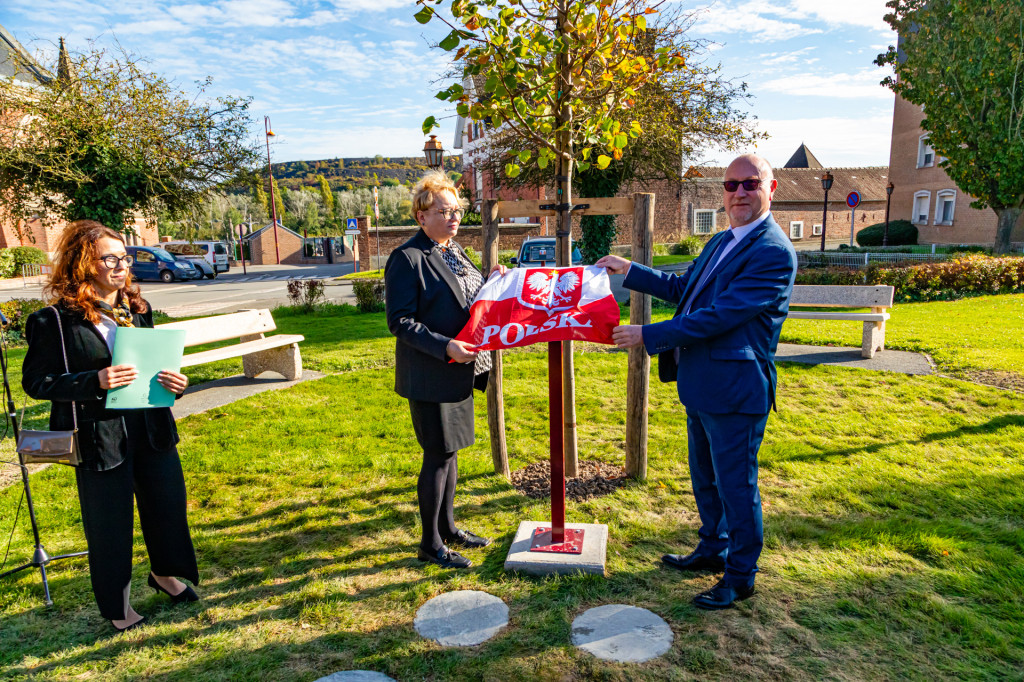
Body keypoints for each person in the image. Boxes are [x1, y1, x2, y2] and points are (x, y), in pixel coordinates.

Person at [596, 154, 797, 609]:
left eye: (750, 184)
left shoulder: (772, 251)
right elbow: (685, 287)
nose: (739, 193)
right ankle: (712, 549)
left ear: (771, 188)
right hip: (701, 383)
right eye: (731, 185)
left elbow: (719, 317)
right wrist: (631, 270)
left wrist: (648, 334)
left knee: (736, 486)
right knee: (705, 478)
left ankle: (741, 574)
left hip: (736, 391)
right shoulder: (722, 240)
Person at [22, 220, 199, 632]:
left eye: (125, 257)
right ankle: (118, 606)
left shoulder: (137, 309)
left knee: (167, 506)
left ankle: (165, 576)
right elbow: (36, 382)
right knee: (110, 523)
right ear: (84, 263)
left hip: (152, 427)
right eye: (110, 258)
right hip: (100, 436)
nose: (122, 265)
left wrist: (176, 383)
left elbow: (154, 364)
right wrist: (93, 381)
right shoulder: (53, 321)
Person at [384, 172, 505, 569]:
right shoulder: (407, 258)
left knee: (451, 453)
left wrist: (490, 282)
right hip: (432, 372)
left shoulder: (455, 250)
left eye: (457, 210)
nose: (453, 217)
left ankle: (449, 528)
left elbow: (466, 298)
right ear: (421, 216)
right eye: (443, 211)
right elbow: (400, 322)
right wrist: (445, 346)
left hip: (462, 371)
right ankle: (430, 543)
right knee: (437, 455)